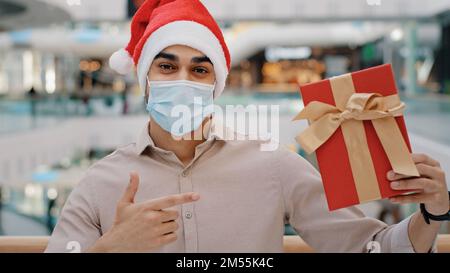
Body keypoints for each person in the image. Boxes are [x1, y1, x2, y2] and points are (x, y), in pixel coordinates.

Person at [45, 0, 449, 253]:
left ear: (215, 85)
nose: (183, 79)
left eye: (199, 69)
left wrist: (432, 215)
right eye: (167, 66)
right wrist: (112, 249)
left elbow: (369, 248)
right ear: (144, 79)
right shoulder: (100, 183)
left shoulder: (274, 164)